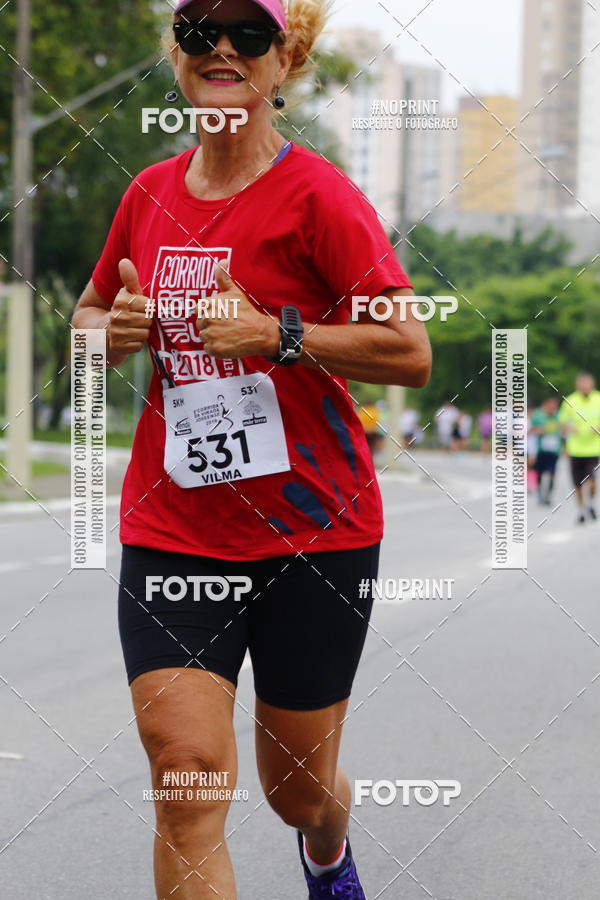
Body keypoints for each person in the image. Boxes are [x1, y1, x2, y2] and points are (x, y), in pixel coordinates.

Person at [71, 1, 432, 898]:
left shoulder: (320, 198)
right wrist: (108, 332)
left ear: (284, 63)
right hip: (175, 531)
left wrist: (281, 335)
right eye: (200, 31)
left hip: (315, 533)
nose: (222, 48)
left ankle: (326, 848)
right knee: (188, 776)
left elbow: (410, 352)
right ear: (181, 58)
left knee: (297, 792)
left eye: (249, 35)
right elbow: (86, 319)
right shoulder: (147, 192)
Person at [559, 373, 600, 524]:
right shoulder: (570, 400)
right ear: (577, 386)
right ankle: (582, 509)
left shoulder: (598, 399)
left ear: (592, 384)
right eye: (582, 384)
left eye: (587, 384)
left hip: (593, 448)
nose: (585, 387)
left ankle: (591, 504)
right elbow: (562, 422)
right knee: (578, 483)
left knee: (592, 480)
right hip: (575, 449)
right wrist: (569, 428)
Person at [530, 397, 561, 505]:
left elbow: (564, 430)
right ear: (546, 405)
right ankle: (539, 493)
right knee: (540, 472)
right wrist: (538, 431)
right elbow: (530, 431)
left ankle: (548, 495)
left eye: (555, 406)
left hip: (554, 451)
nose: (552, 408)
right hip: (541, 450)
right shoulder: (538, 416)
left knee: (551, 473)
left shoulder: (559, 416)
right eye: (550, 405)